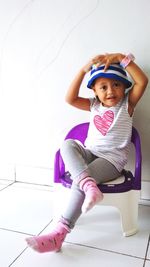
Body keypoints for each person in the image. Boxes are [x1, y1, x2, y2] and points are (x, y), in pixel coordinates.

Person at [26, 53, 148, 253]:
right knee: (67, 145)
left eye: (116, 84)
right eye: (103, 87)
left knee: (81, 178)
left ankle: (60, 233)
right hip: (90, 152)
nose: (110, 91)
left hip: (112, 160)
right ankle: (89, 186)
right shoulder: (93, 105)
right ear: (95, 91)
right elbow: (70, 98)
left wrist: (121, 58)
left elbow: (142, 81)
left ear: (124, 87)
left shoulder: (127, 104)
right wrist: (85, 69)